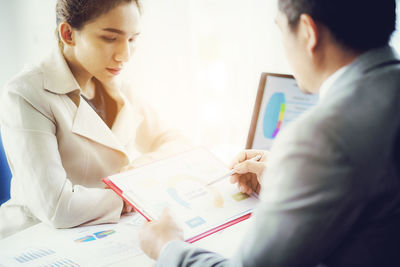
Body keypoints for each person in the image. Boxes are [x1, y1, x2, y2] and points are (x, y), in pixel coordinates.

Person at [139, 0, 400, 266]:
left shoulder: (320, 137)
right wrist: (292, 180)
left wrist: (168, 247)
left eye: (281, 31)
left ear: (309, 33)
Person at [0, 0, 189, 239]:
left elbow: (176, 142)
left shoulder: (118, 85)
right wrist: (131, 193)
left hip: (106, 231)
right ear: (68, 34)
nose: (125, 55)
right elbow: (57, 207)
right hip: (36, 236)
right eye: (110, 38)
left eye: (132, 39)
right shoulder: (25, 93)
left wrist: (143, 167)